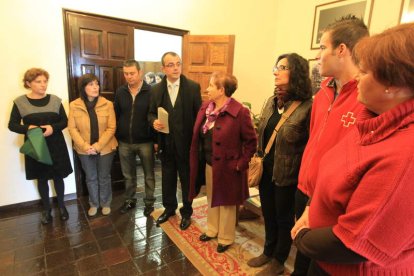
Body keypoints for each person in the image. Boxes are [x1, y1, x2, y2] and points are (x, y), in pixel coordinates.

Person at [294, 22, 414, 275]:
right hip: (324, 252)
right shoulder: (371, 122)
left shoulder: (406, 155)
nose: (358, 76)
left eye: (366, 70)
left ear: (392, 84)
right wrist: (311, 209)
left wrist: (303, 236)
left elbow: (354, 243)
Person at [291, 15, 369, 275]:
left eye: (323, 47)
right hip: (305, 187)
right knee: (300, 252)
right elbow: (315, 139)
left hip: (329, 201)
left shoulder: (366, 99)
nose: (318, 55)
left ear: (342, 50)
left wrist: (315, 202)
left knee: (318, 262)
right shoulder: (323, 91)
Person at [247, 54, 312, 274]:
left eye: (282, 67)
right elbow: (263, 133)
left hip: (288, 175)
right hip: (267, 171)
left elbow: (310, 146)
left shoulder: (308, 107)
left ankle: (279, 259)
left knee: (284, 219)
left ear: (296, 72)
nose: (275, 71)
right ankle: (268, 250)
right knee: (268, 213)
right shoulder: (272, 100)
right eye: (276, 67)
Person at [188, 71, 257, 253]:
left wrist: (240, 164)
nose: (207, 88)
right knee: (212, 197)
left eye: (211, 85)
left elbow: (251, 142)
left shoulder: (240, 112)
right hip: (210, 163)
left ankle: (225, 238)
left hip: (230, 167)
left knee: (226, 202)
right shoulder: (206, 108)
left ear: (221, 90)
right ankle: (212, 229)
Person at [8, 68, 73, 224]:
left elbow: (64, 121)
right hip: (36, 143)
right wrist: (27, 128)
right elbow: (12, 125)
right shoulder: (20, 102)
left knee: (58, 176)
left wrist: (53, 128)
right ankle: (46, 209)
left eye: (45, 81)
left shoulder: (56, 100)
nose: (43, 85)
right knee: (42, 177)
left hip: (56, 144)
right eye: (38, 82)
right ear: (29, 83)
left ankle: (62, 206)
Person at [148, 51, 201, 230]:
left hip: (186, 145)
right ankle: (170, 208)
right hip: (165, 143)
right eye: (171, 65)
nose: (176, 67)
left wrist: (197, 144)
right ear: (163, 68)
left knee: (187, 179)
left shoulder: (193, 87)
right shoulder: (155, 90)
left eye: (178, 63)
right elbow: (150, 113)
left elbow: (199, 116)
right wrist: (153, 121)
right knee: (168, 178)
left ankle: (186, 212)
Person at [68, 74, 117, 216]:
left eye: (96, 84)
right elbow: (72, 128)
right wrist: (85, 146)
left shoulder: (107, 104)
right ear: (83, 88)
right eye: (91, 84)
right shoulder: (74, 105)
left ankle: (105, 203)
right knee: (90, 177)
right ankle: (94, 204)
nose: (95, 87)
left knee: (104, 177)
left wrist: (97, 146)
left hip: (106, 148)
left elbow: (111, 128)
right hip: (84, 150)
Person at [114, 59, 156, 216]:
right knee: (128, 175)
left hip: (145, 141)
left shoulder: (151, 91)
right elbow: (116, 115)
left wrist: (156, 141)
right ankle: (130, 200)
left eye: (132, 73)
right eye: (126, 73)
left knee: (149, 175)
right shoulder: (120, 92)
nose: (129, 76)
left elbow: (155, 116)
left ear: (140, 73)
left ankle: (149, 202)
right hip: (124, 141)